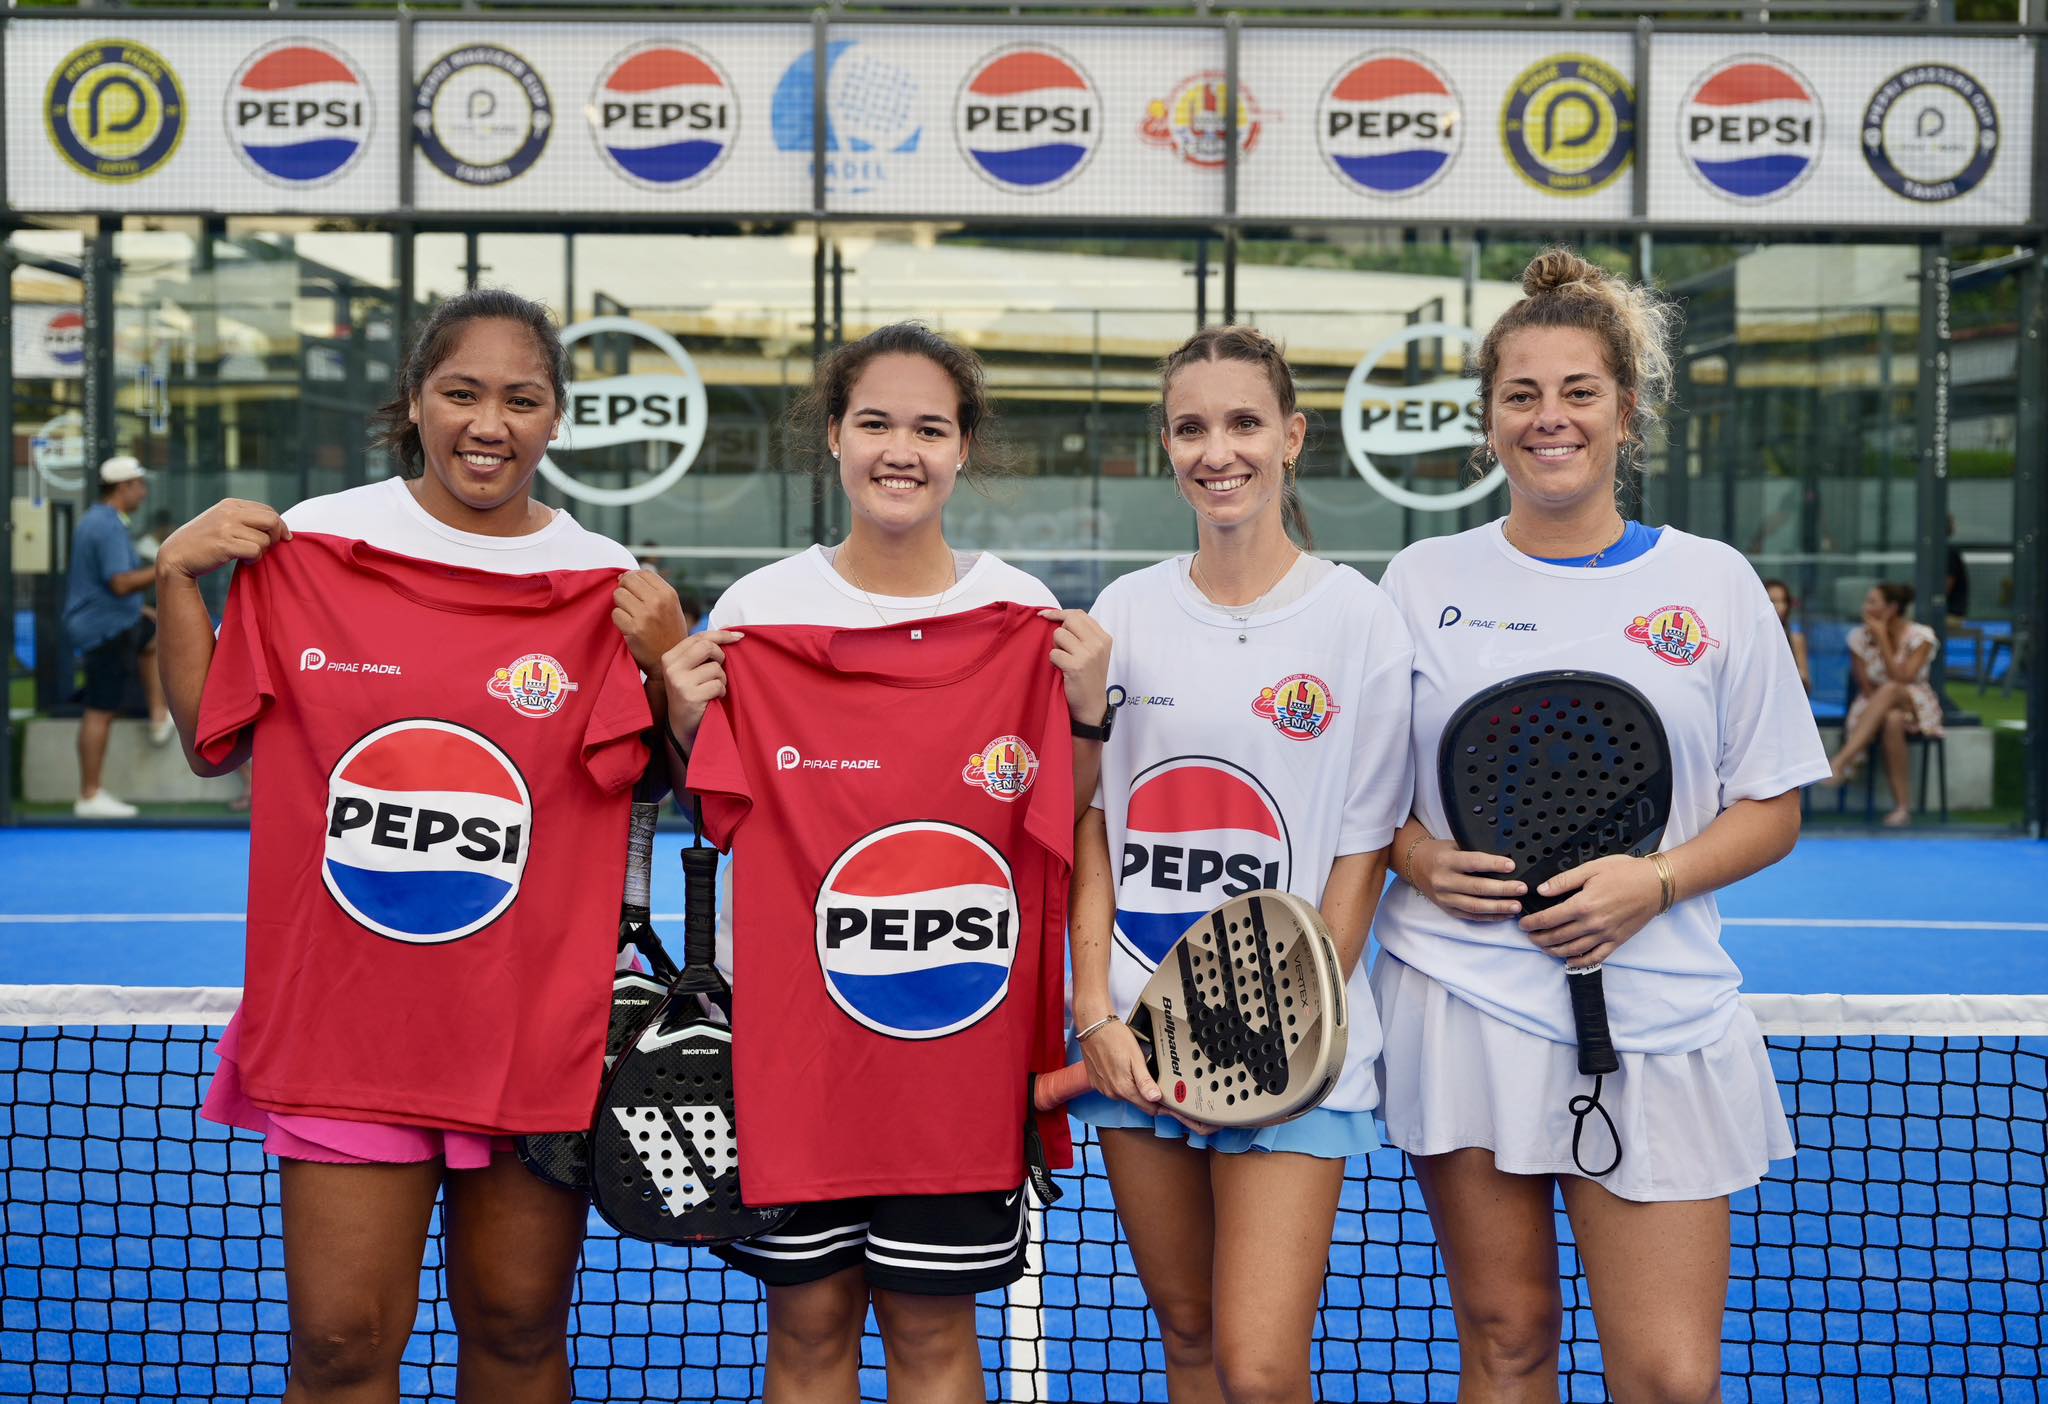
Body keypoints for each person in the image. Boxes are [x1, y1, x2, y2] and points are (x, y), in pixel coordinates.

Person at [156, 288, 688, 1404]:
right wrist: (175, 577)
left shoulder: (602, 588)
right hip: (347, 1032)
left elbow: (688, 781)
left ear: (554, 422)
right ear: (414, 401)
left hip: (530, 1038)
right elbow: (212, 744)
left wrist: (666, 658)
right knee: (341, 1349)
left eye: (520, 398)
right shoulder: (317, 550)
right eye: (461, 392)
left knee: (516, 1330)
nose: (488, 422)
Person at [1373, 249, 1828, 1402]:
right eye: (1519, 396)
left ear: (1627, 410)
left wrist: (1656, 882)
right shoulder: (1419, 582)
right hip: (1461, 1002)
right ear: (1485, 422)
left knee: (1667, 1376)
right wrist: (1420, 858)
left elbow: (1770, 806)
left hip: (1655, 1015)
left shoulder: (1714, 583)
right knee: (1507, 1342)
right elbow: (1362, 802)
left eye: (1577, 391)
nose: (1548, 419)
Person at [663, 321, 1111, 1404]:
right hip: (798, 1067)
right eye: (874, 423)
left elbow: (1061, 819)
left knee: (931, 1339)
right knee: (808, 1334)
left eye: (927, 427)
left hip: (955, 1074)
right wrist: (683, 722)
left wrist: (1088, 714)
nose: (898, 449)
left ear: (963, 451)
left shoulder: (1023, 620)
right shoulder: (757, 618)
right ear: (833, 437)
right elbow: (715, 813)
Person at [1072, 325, 1414, 1404]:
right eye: (1189, 428)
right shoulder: (1122, 614)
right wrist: (1094, 1010)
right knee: (1185, 1337)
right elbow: (1091, 824)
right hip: (1136, 1038)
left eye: (1241, 423)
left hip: (1288, 1055)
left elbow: (1361, 852)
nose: (1216, 451)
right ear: (1165, 448)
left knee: (1260, 1367)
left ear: (1291, 438)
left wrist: (1278, 1041)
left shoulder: (1360, 620)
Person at [65, 454, 172, 818]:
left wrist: (141, 611)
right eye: (139, 485)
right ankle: (89, 794)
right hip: (103, 630)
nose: (143, 493)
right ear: (124, 487)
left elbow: (108, 588)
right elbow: (121, 583)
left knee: (154, 634)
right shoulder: (107, 525)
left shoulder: (102, 520)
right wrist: (169, 562)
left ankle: (159, 716)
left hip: (115, 620)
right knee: (101, 711)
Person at [1824, 582, 1942, 828]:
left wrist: (1883, 639)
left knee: (1891, 689)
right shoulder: (1858, 638)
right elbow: (1865, 686)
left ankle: (1843, 760)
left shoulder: (1922, 637)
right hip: (1873, 707)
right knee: (1892, 720)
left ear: (1892, 608)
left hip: (1916, 704)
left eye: (1872, 602)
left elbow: (1904, 678)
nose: (1865, 607)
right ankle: (1902, 808)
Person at [1763, 578, 1812, 694]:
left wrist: (1796, 676)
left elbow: (1807, 685)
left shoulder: (1796, 638)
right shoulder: (1752, 638)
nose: (1780, 606)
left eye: (1783, 601)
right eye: (1773, 601)